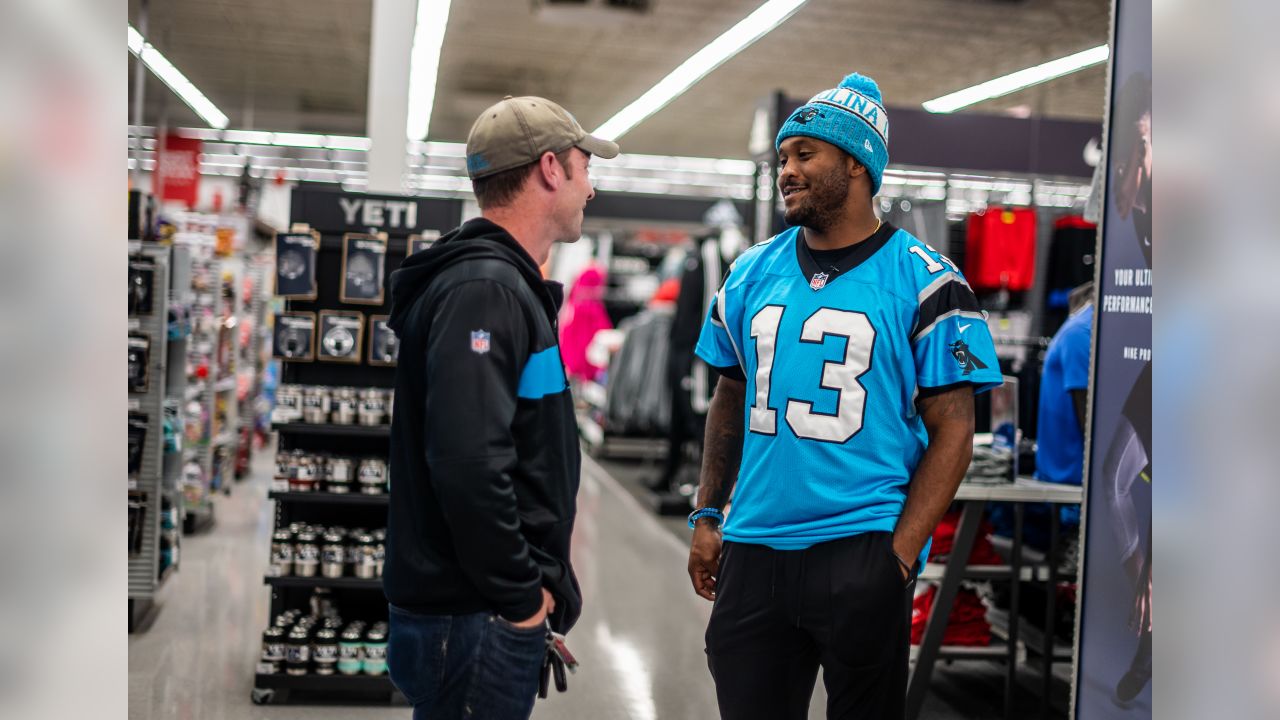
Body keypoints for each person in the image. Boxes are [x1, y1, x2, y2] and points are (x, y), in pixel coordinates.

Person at [686, 72, 1003, 720]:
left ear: (857, 163)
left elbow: (955, 430)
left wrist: (900, 554)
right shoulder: (751, 271)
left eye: (805, 155)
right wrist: (707, 513)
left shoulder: (927, 283)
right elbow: (729, 391)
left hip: (859, 547)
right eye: (782, 159)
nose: (786, 172)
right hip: (754, 548)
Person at [382, 95, 618, 720]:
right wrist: (521, 598)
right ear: (549, 169)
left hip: (473, 609)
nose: (590, 188)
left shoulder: (497, 283)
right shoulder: (485, 290)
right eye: (584, 167)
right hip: (474, 613)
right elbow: (468, 462)